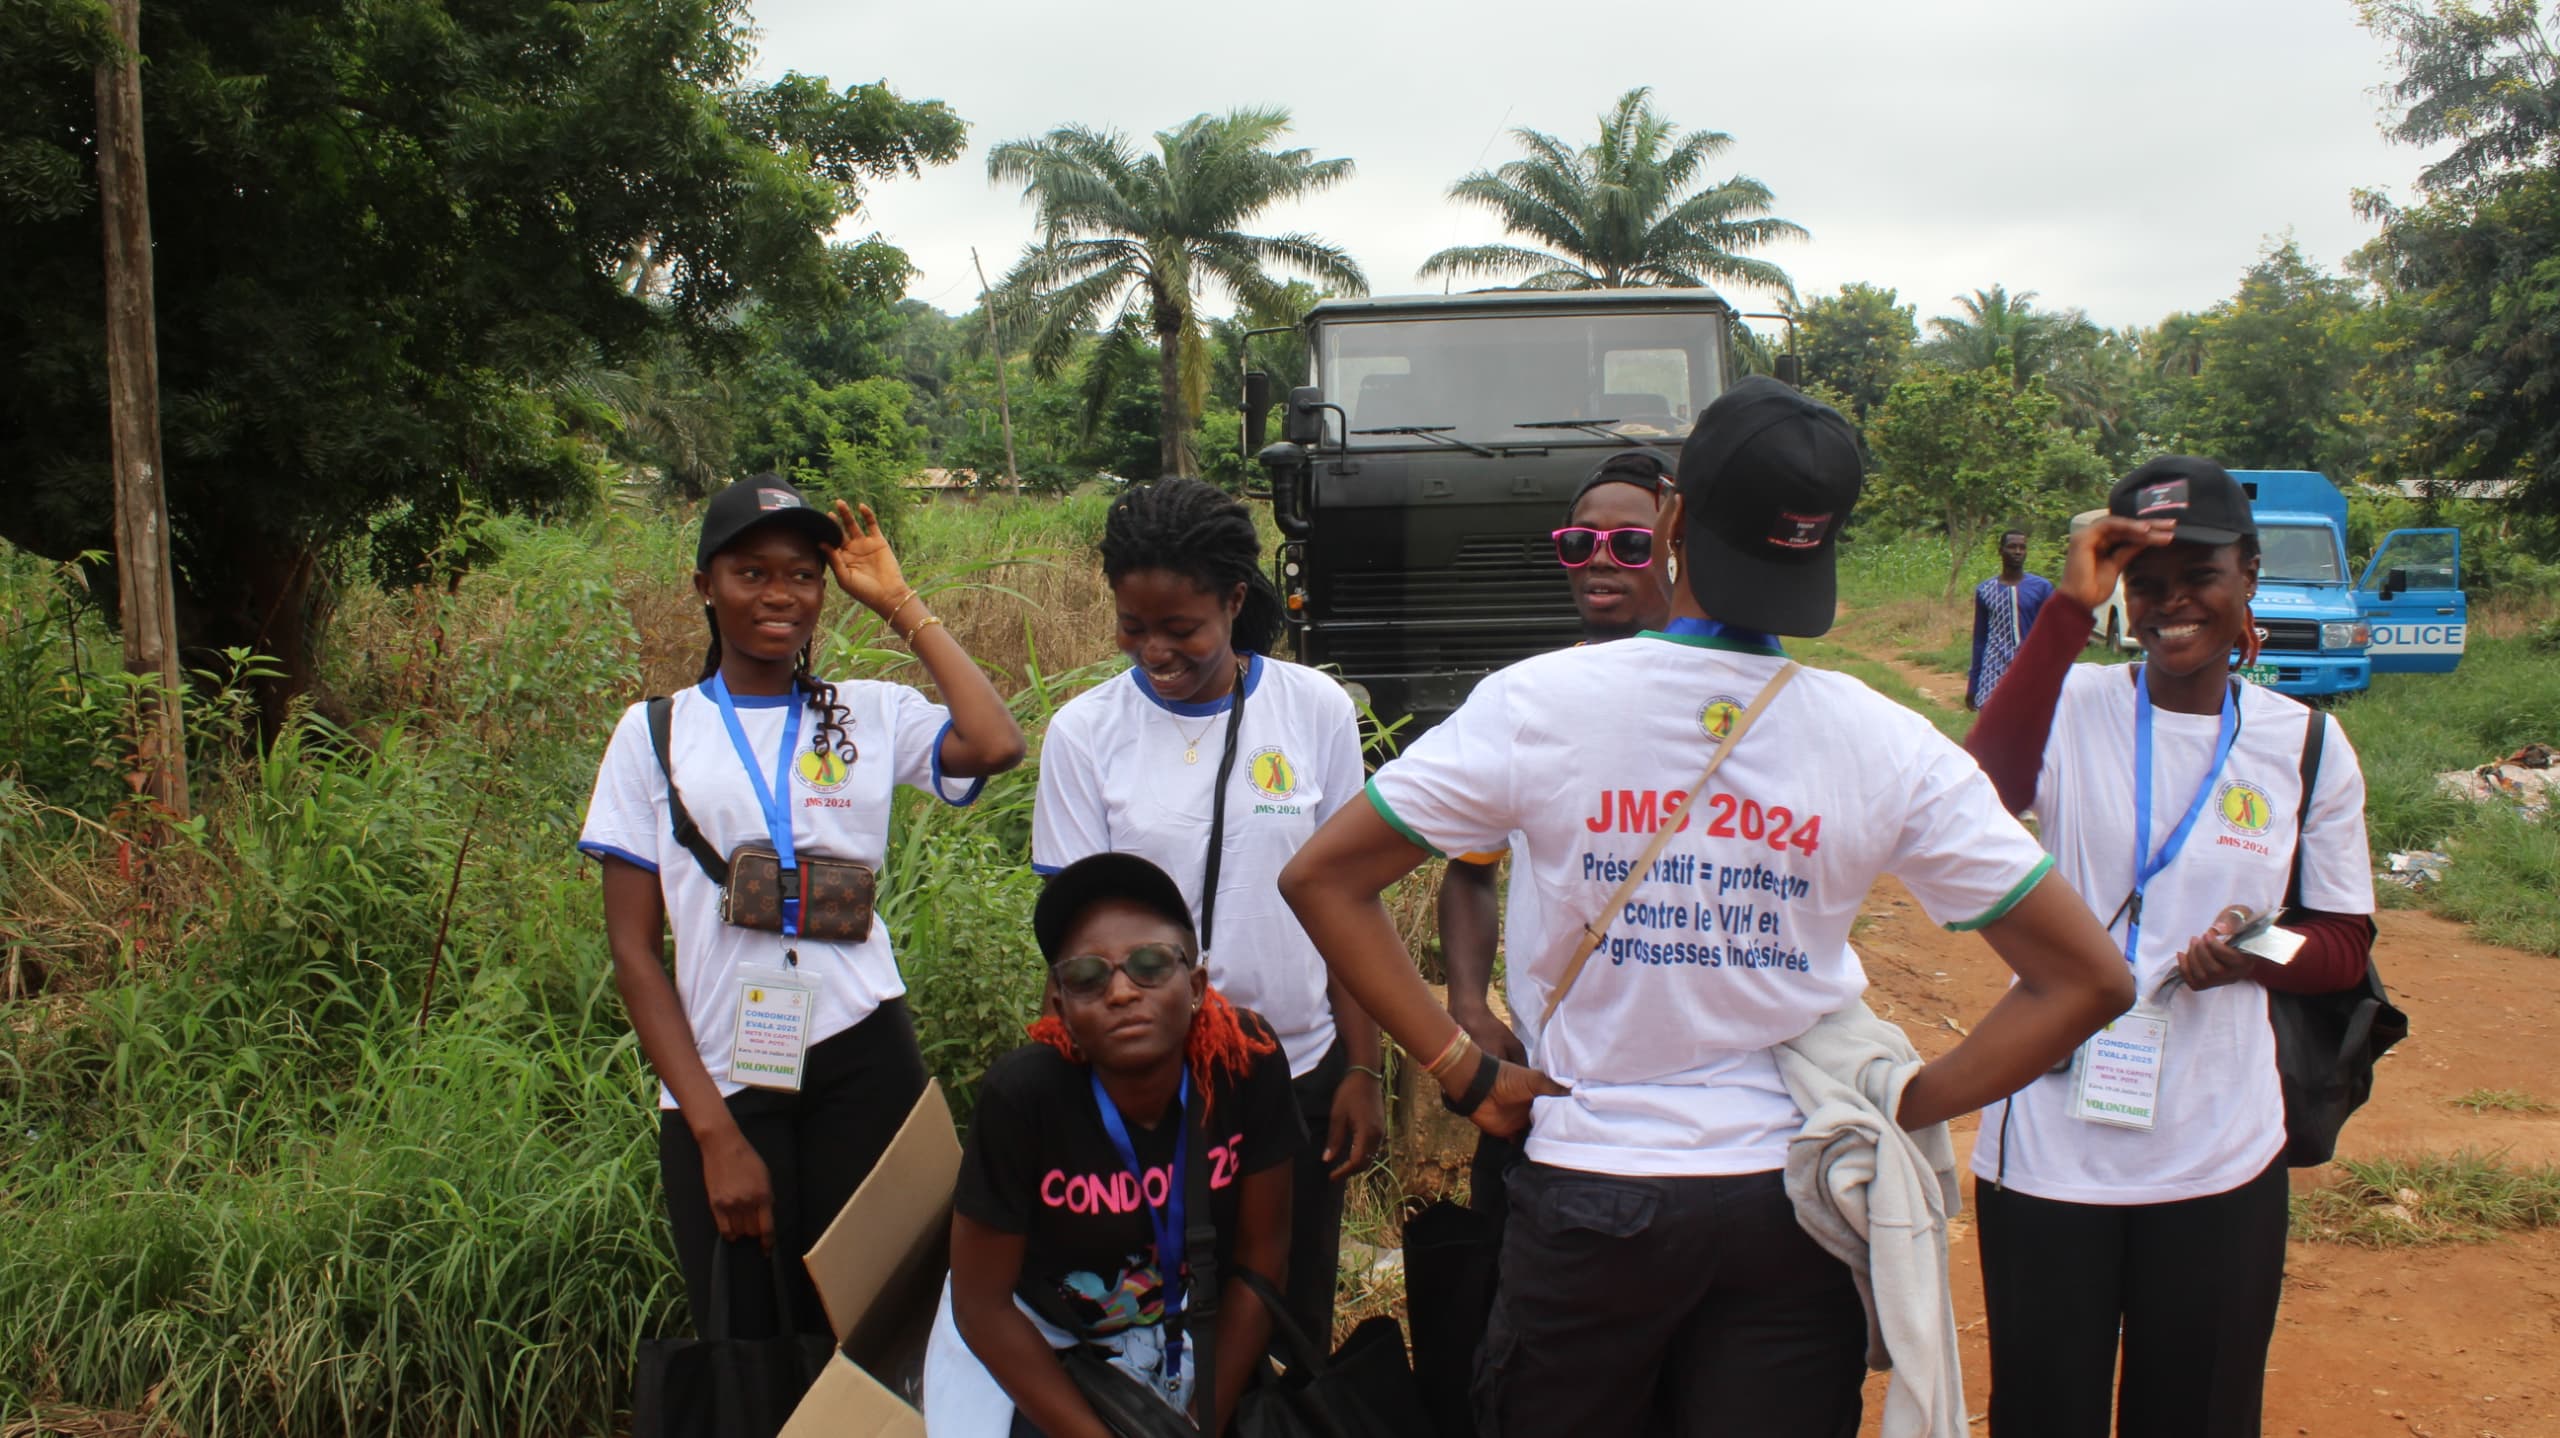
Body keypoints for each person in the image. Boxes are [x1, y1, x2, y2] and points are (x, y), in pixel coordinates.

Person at [1278, 376, 2135, 1437]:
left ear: (1675, 521)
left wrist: (1462, 1069)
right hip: (1795, 1205)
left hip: (1595, 1189)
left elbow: (1322, 878)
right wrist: (1909, 1103)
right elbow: (2088, 978)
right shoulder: (1883, 741)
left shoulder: (1540, 704)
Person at [1962, 456, 2378, 1438]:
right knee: (2043, 1413)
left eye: (2200, 574)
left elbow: (2341, 943)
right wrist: (2069, 607)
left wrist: (2257, 948)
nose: (2171, 602)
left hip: (2218, 1153)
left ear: (2249, 575)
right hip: (2049, 1148)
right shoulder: (2074, 706)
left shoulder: (2306, 746)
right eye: (2145, 582)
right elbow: (1978, 798)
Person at [578, 475, 1026, 1339]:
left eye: (801, 575)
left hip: (864, 1046)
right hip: (725, 1069)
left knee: (891, 1319)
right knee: (745, 1328)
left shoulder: (866, 712)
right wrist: (714, 1134)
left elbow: (996, 742)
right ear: (705, 585)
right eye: (751, 573)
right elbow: (634, 952)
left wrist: (899, 604)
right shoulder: (655, 733)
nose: (779, 595)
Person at [1032, 475, 1382, 1347]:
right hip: (1145, 1089)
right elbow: (1073, 942)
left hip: (1296, 1074)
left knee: (1289, 1321)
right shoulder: (1084, 733)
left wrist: (1362, 1069)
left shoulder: (1314, 710)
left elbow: (1351, 904)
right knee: (1152, 1323)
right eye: (1132, 626)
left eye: (1180, 627)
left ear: (1233, 600)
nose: (1154, 650)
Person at [926, 853, 1301, 1437]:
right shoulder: (1024, 1098)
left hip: (1190, 1322)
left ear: (1196, 986)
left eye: (1149, 965)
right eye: (1087, 976)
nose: (1122, 992)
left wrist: (1196, 1426)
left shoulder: (1245, 1064)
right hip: (1043, 1337)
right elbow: (982, 1308)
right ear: (1061, 1007)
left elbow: (1262, 1259)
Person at [1439, 449, 1676, 1222]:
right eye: (1579, 542)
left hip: (1697, 1103)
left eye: (1629, 544)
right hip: (1552, 1083)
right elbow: (1471, 867)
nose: (1599, 561)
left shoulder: (1733, 698)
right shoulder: (1526, 703)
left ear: (1679, 546)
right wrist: (1470, 1008)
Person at [1968, 528, 2056, 709]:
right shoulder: (1985, 590)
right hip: (1994, 668)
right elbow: (1979, 640)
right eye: (2012, 547)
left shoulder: (2042, 588)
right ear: (2000, 551)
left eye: (2022, 547)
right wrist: (1973, 684)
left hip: (2030, 667)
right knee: (1992, 720)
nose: (2017, 552)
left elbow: (2053, 633)